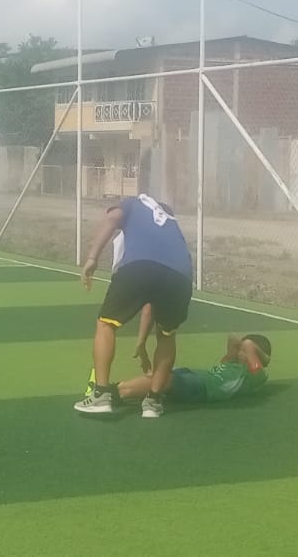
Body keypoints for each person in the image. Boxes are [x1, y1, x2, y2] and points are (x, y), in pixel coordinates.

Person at [75, 170, 193, 419]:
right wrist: (141, 342)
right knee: (167, 335)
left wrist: (92, 258)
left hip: (139, 266)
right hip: (181, 277)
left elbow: (111, 219)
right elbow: (151, 301)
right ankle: (153, 403)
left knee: (105, 324)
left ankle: (101, 395)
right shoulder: (170, 222)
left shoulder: (133, 203)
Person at [116, 325, 273, 407]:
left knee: (165, 379)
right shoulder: (234, 363)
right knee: (161, 373)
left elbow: (248, 345)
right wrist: (245, 347)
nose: (240, 352)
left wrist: (261, 355)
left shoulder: (255, 375)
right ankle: (120, 388)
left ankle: (117, 392)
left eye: (245, 351)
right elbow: (232, 338)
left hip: (205, 388)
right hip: (198, 376)